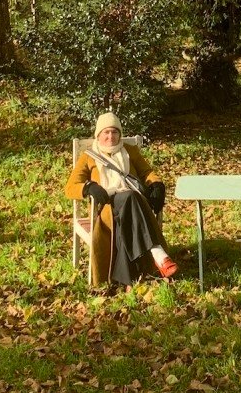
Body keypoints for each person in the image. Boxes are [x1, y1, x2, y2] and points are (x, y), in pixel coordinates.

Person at [65, 111, 178, 287]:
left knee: (130, 200)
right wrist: (88, 187)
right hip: (107, 207)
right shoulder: (88, 156)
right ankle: (157, 253)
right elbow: (70, 188)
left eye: (115, 132)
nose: (111, 136)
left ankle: (124, 278)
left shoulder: (130, 151)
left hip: (132, 204)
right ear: (99, 135)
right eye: (106, 132)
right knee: (131, 197)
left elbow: (146, 172)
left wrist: (156, 184)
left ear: (120, 134)